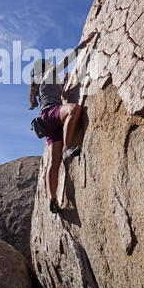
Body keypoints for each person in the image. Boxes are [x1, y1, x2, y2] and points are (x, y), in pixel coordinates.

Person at [29, 31, 97, 214]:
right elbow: (67, 60)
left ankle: (52, 200)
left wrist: (64, 88)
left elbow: (62, 97)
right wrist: (85, 43)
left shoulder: (47, 82)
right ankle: (68, 148)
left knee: (54, 160)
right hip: (52, 115)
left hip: (49, 122)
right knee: (74, 110)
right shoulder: (48, 74)